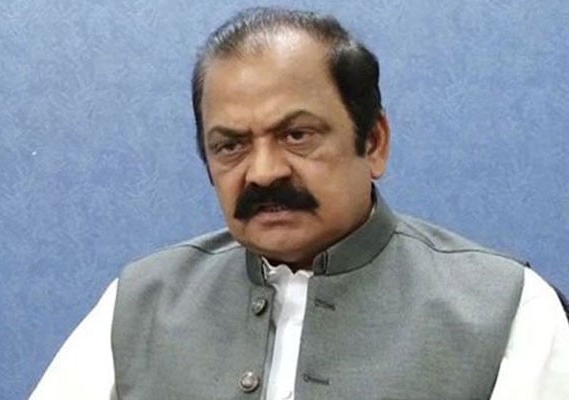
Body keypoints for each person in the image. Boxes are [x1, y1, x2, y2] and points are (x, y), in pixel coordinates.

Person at [30, 7, 569, 400]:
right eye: (231, 146)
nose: (263, 172)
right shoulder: (139, 304)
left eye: (297, 135)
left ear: (373, 142)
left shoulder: (506, 309)